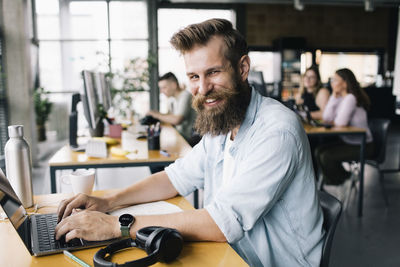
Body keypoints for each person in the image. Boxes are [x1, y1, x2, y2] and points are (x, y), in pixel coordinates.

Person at [55, 18, 324, 267]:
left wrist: (117, 226)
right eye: (194, 77)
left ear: (243, 68)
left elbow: (221, 224)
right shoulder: (223, 121)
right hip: (233, 252)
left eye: (214, 72)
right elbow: (175, 178)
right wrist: (109, 201)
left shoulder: (277, 130)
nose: (203, 88)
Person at [315, 68, 374, 185]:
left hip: (364, 145)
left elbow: (340, 123)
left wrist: (335, 121)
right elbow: (327, 118)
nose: (332, 83)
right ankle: (340, 179)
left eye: (335, 80)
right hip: (350, 142)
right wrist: (333, 96)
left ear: (345, 82)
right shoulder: (341, 98)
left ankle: (343, 179)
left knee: (326, 156)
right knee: (318, 151)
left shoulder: (350, 98)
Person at [146, 72, 198, 145]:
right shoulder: (172, 99)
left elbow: (177, 120)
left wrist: (156, 115)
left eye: (164, 88)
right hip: (181, 136)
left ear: (174, 85)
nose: (161, 92)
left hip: (191, 139)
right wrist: (156, 114)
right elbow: (169, 116)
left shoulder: (186, 95)